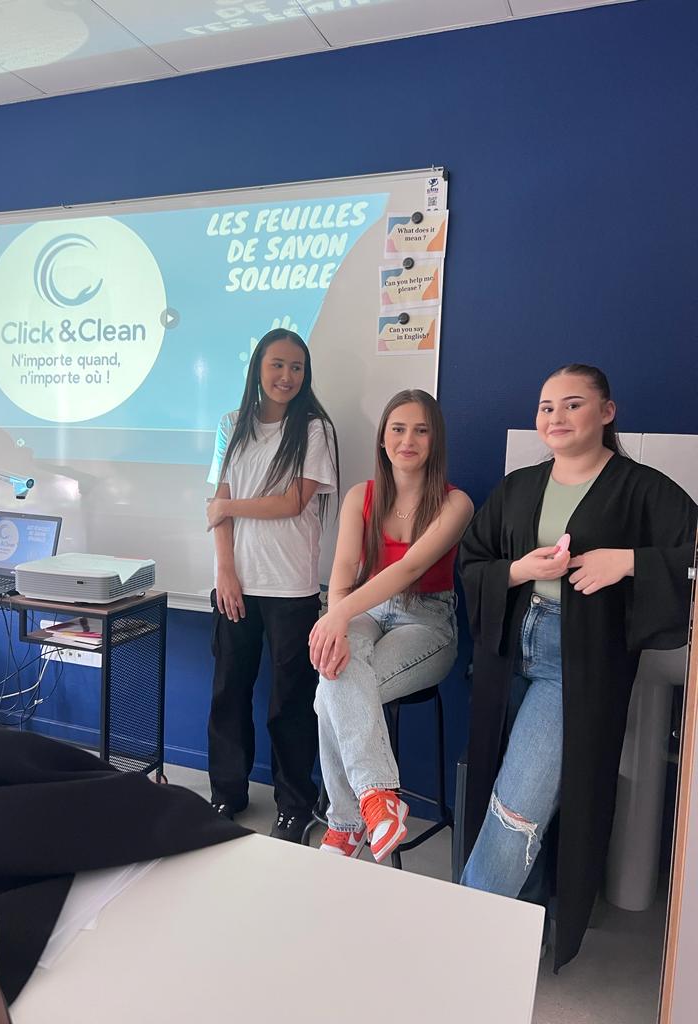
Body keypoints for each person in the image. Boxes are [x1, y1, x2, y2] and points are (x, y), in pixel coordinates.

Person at [459, 363, 697, 968]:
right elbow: (475, 558)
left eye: (572, 404)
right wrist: (520, 570)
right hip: (508, 653)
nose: (556, 417)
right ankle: (516, 925)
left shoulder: (641, 488)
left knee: (517, 807)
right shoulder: (519, 486)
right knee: (502, 790)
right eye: (546, 407)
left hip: (575, 662)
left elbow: (690, 548)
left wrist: (629, 561)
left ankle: (463, 937)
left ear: (607, 412)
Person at [309, 389, 473, 862]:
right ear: (382, 438)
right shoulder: (360, 496)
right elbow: (343, 570)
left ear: (435, 441)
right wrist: (338, 622)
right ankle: (377, 801)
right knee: (337, 670)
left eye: (421, 430)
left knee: (331, 691)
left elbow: (408, 569)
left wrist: (336, 616)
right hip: (363, 610)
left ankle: (347, 823)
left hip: (427, 620)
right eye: (398, 429)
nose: (408, 440)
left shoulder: (456, 503)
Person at [205, 327, 339, 842]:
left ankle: (294, 804)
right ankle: (226, 793)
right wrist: (225, 570)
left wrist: (228, 504)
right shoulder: (230, 425)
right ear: (257, 368)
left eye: (296, 367)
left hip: (292, 588)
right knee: (229, 693)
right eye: (277, 365)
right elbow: (215, 506)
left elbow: (292, 502)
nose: (287, 376)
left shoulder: (314, 429)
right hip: (236, 583)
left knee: (291, 704)